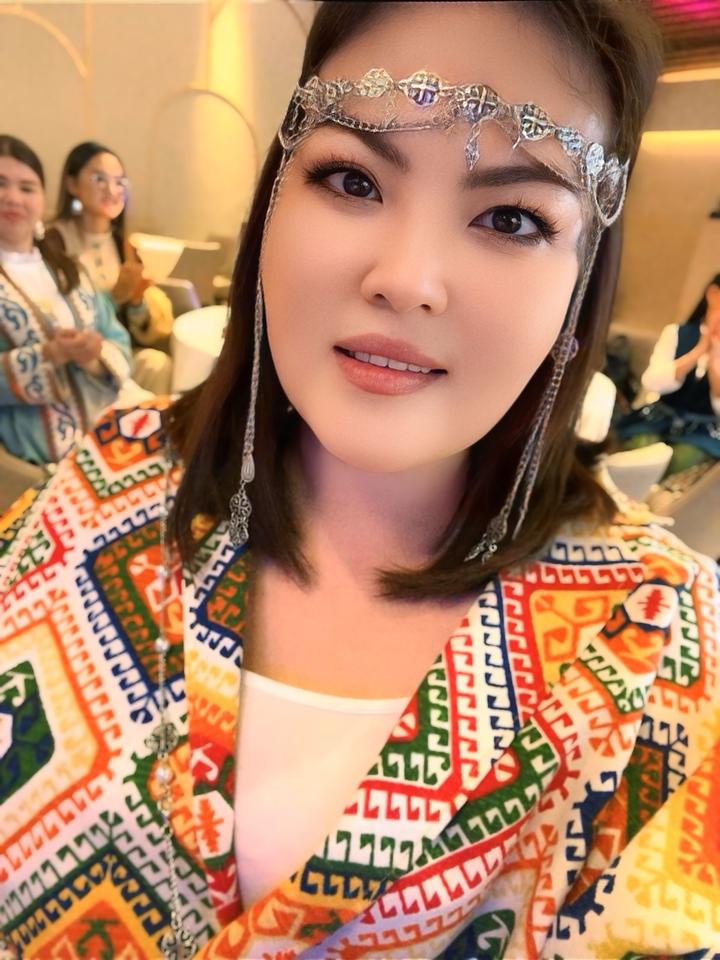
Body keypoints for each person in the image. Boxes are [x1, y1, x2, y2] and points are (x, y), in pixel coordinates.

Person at [1, 3, 718, 959]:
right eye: (352, 179)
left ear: (582, 277)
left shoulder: (662, 641)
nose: (407, 278)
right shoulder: (99, 485)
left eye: (511, 218)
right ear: (275, 197)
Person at [0, 135, 131, 472]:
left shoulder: (68, 268)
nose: (13, 197)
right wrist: (48, 356)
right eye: (1, 184)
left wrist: (93, 356)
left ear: (42, 199)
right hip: (37, 457)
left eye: (27, 188)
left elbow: (117, 338)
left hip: (110, 430)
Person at [48, 141, 173, 394]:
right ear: (72, 184)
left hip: (118, 350)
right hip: (77, 359)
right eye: (99, 179)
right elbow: (56, 312)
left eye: (120, 182)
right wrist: (114, 297)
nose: (112, 190)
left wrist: (136, 300)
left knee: (157, 364)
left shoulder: (123, 243)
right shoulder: (54, 243)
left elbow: (132, 324)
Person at [615, 273, 720, 476]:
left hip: (703, 430)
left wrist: (715, 367)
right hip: (660, 417)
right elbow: (651, 382)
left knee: (685, 458)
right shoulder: (677, 333)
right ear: (713, 294)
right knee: (642, 448)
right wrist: (698, 351)